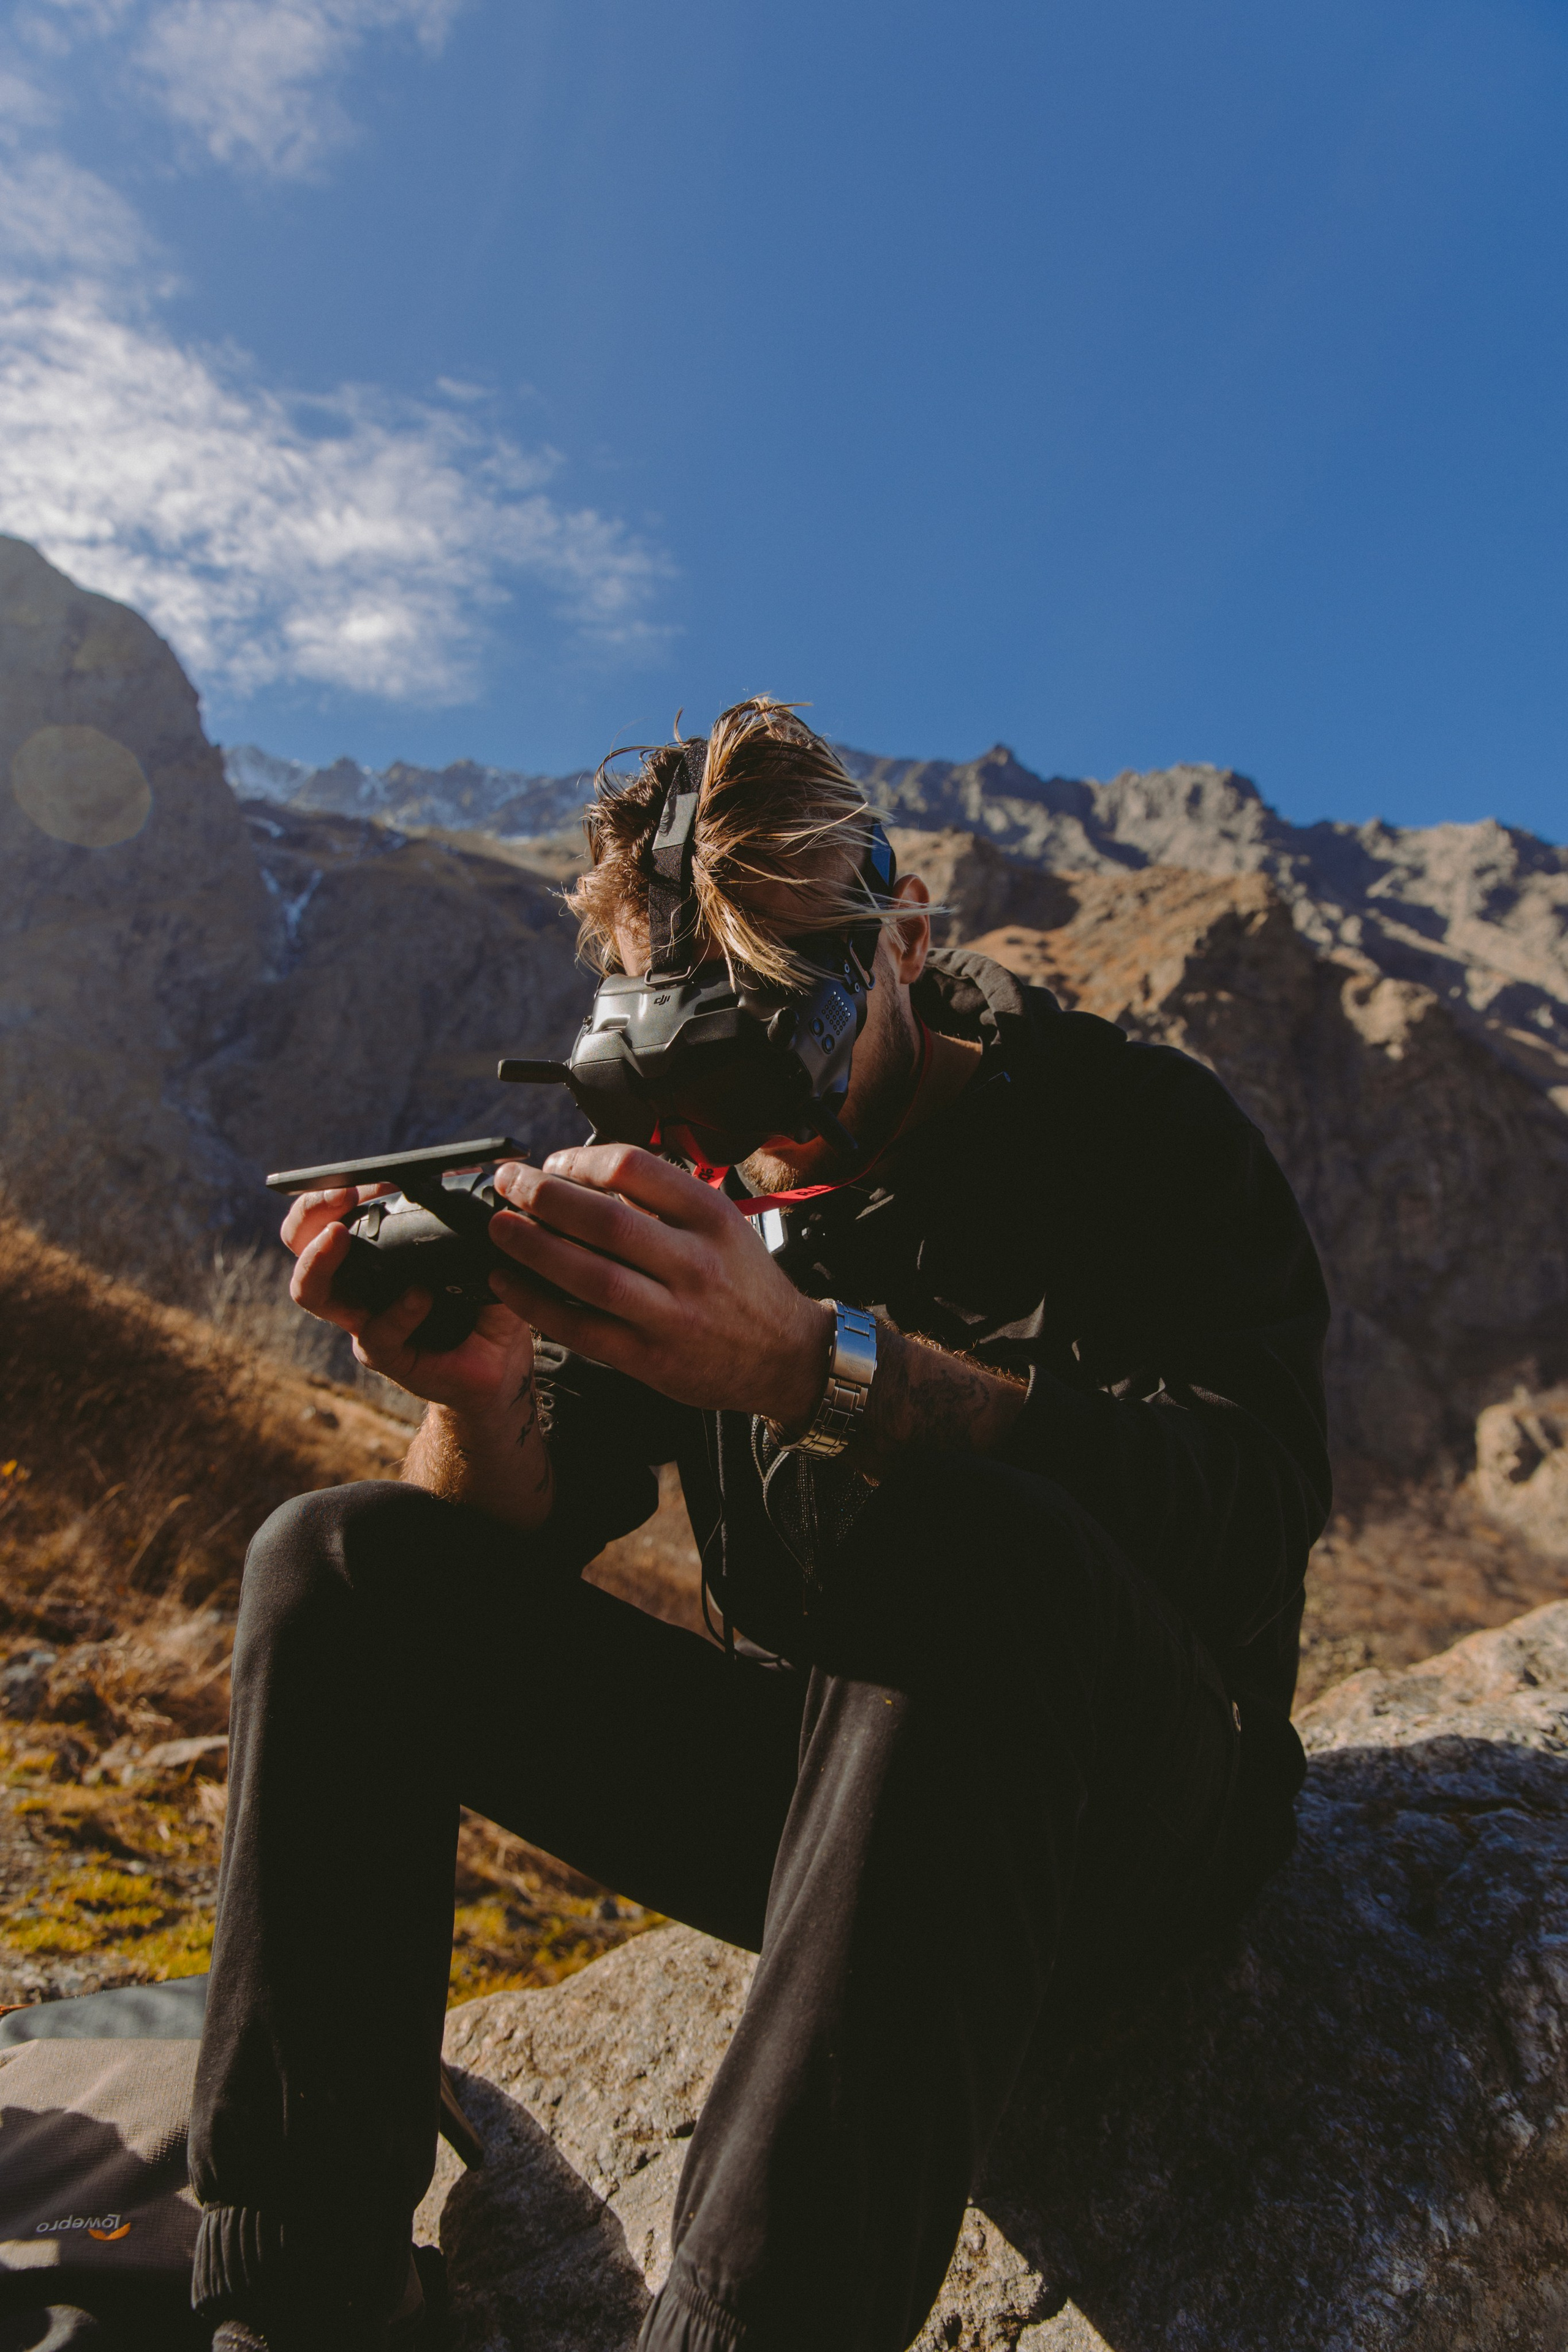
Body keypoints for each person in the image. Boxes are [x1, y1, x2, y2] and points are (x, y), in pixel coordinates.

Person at [190, 699, 1331, 2352]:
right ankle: (303, 2301)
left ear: (906, 936)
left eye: (780, 1038)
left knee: (967, 1542)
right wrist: (477, 1395)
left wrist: (814, 1367)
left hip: (1126, 1831)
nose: (746, 1129)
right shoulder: (713, 1184)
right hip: (838, 1828)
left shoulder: (1129, 1130)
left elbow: (1248, 1517)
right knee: (336, 1564)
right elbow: (490, 1560)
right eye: (684, 1065)